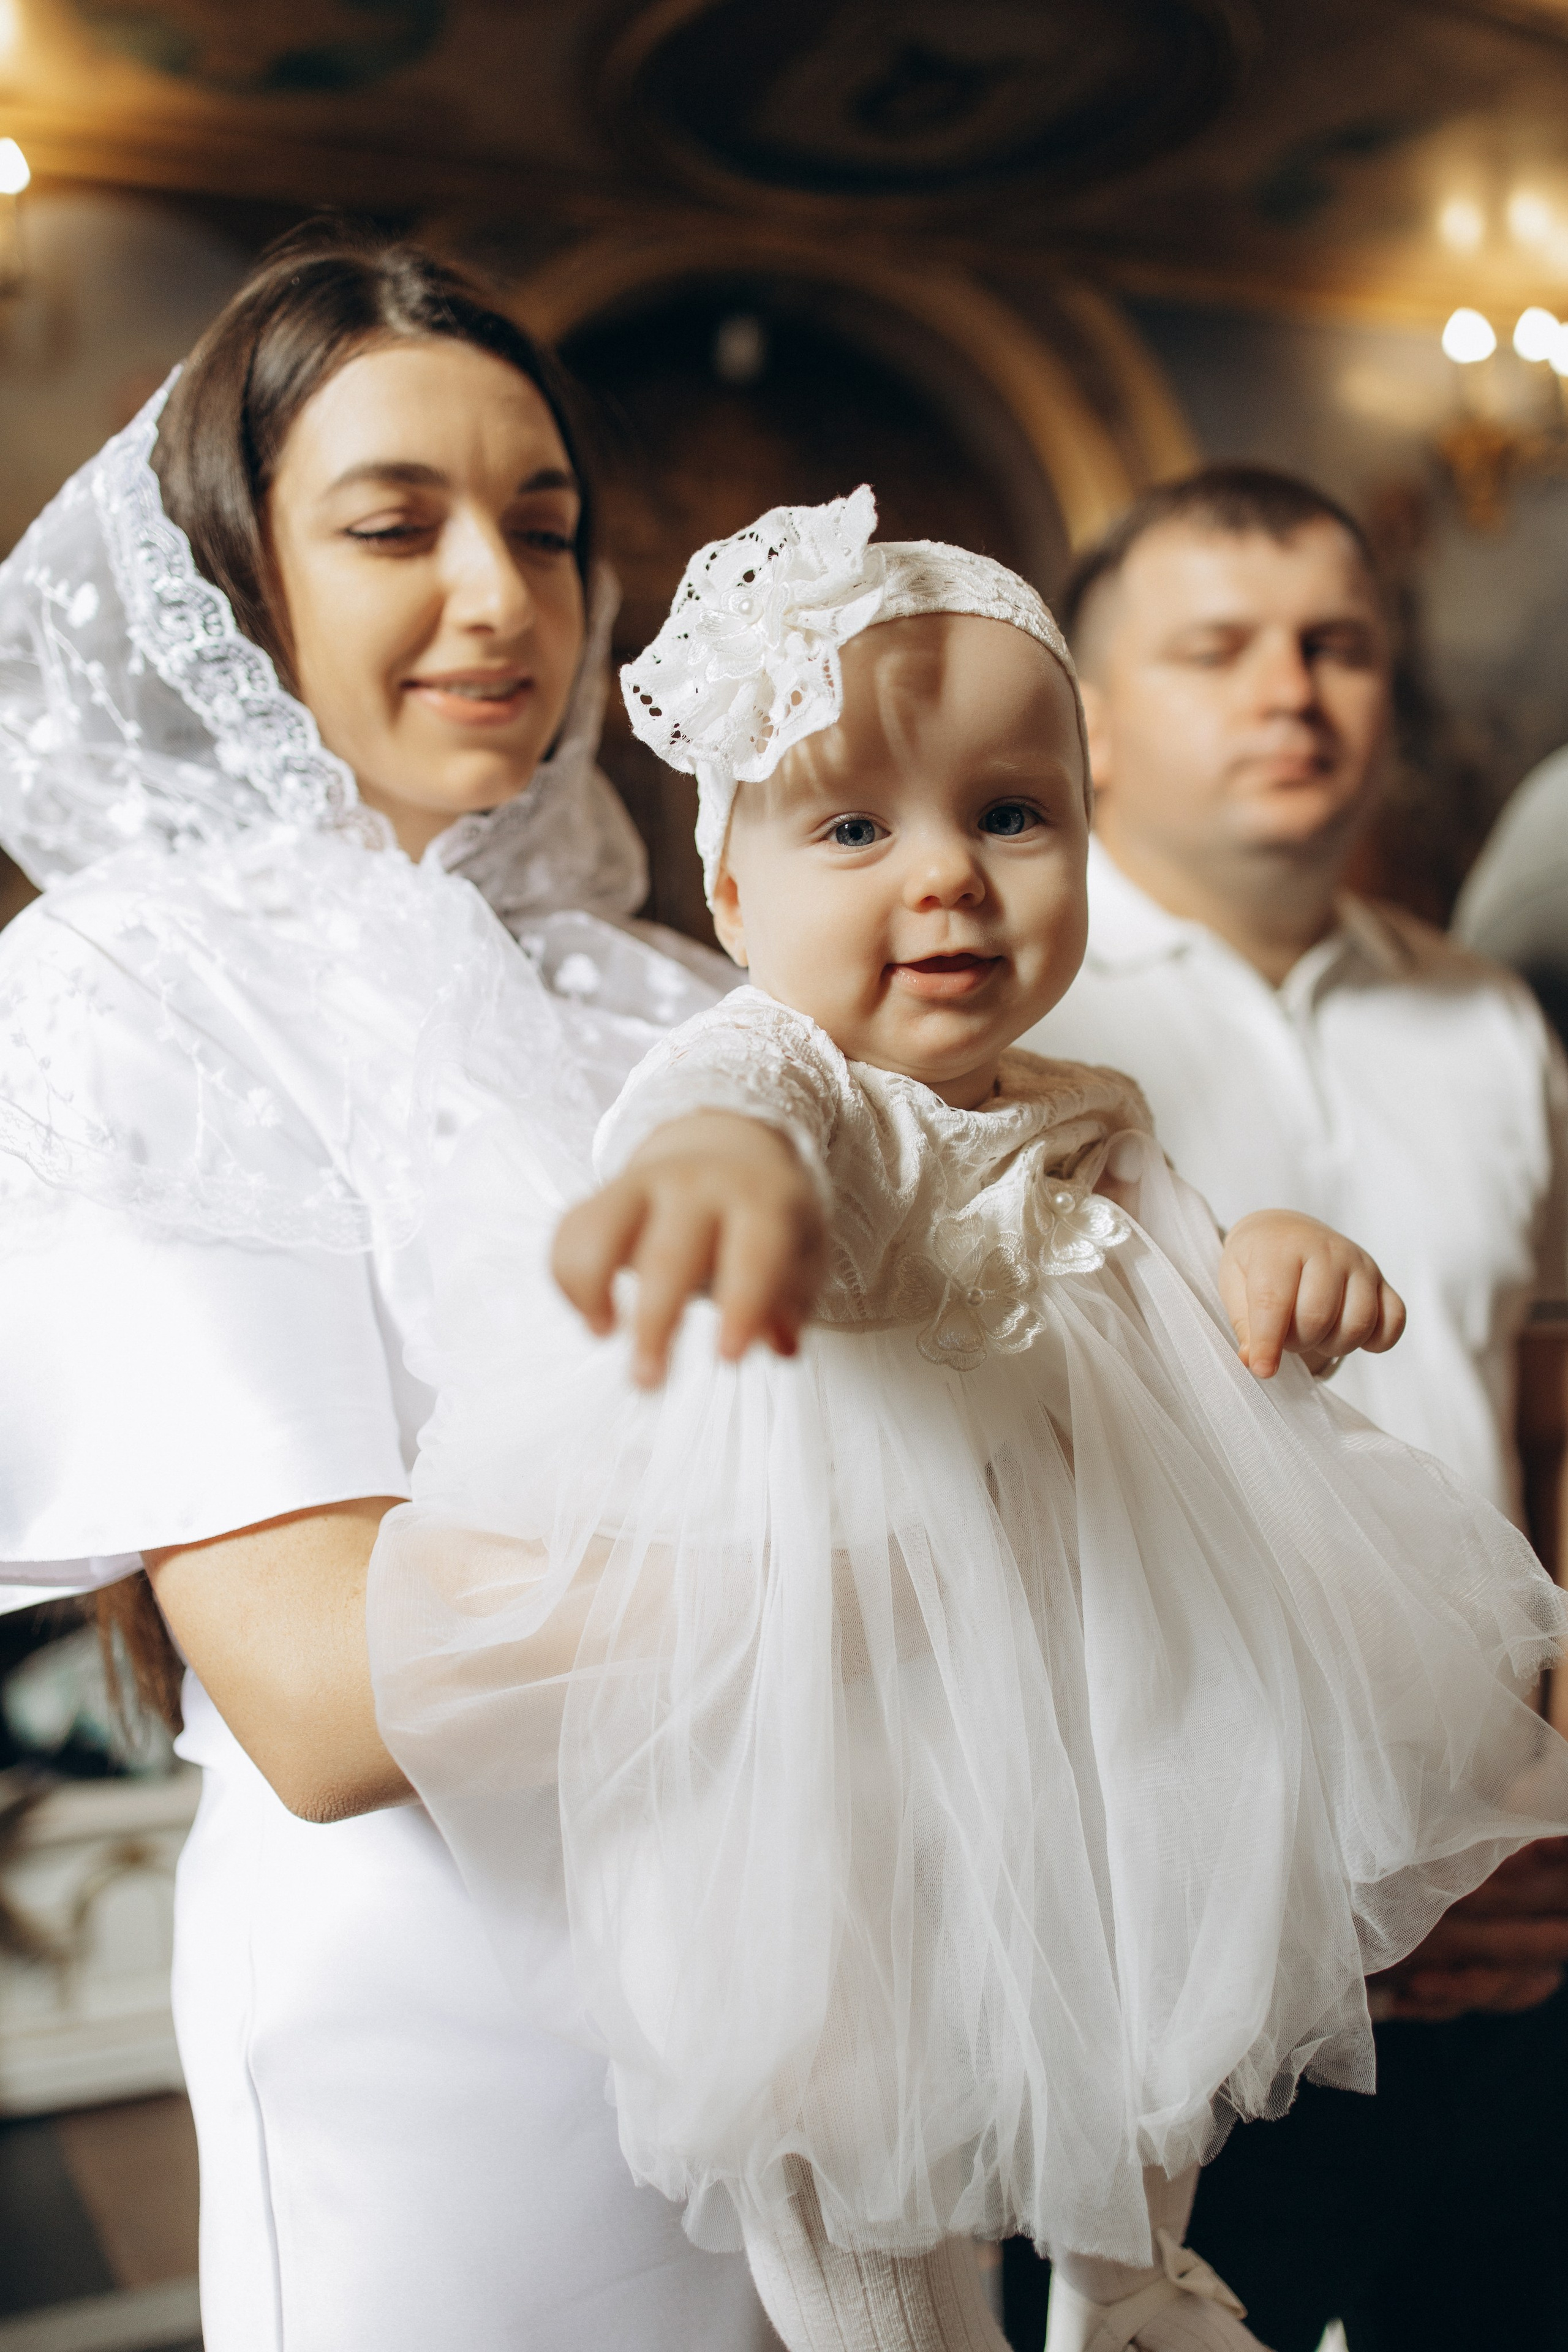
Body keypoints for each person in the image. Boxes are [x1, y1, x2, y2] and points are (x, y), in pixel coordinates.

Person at [365, 489, 1568, 2352]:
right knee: (845, 2081)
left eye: (1013, 816)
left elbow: (1191, 1271)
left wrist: (1270, 1258)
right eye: (855, 827)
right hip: (843, 1726)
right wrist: (720, 1178)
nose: (948, 875)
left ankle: (1132, 2288)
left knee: (1160, 1990)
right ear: (735, 895)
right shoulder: (773, 1079)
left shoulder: (1090, 1102)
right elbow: (731, 1115)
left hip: (1099, 1684)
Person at [0, 231, 837, 2351]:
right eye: (395, 528)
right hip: (441, 2028)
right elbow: (321, 1686)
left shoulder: (675, 997)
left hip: (809, 1981)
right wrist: (906, 1554)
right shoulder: (129, 976)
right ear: (239, 573)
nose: (502, 598)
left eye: (544, 531)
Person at [1023, 464, 1568, 2352]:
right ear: (1091, 718)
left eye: (1337, 645)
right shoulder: (1006, 1022)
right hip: (1170, 1948)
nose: (1293, 691)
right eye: (1220, 649)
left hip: (1512, 1909)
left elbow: (1548, 1411)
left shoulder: (1489, 1018)